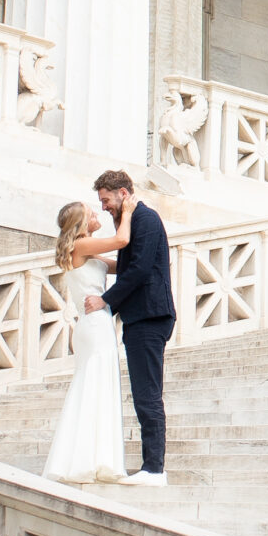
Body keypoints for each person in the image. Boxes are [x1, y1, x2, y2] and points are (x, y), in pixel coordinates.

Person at [85, 169, 174, 487]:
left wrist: (105, 301)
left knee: (148, 395)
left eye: (106, 200)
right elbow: (129, 265)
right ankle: (152, 467)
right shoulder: (132, 221)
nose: (105, 206)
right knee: (142, 393)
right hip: (141, 316)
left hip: (150, 316)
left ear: (124, 193)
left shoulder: (145, 219)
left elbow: (138, 270)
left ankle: (155, 469)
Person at [41, 198, 130, 486]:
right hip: (94, 324)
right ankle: (88, 459)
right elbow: (121, 240)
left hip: (96, 322)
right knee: (94, 384)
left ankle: (96, 458)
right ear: (81, 223)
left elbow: (120, 265)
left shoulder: (88, 252)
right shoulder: (81, 245)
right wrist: (127, 211)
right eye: (91, 213)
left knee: (98, 384)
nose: (96, 214)